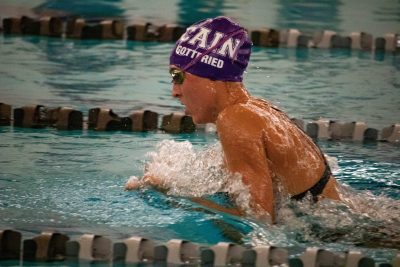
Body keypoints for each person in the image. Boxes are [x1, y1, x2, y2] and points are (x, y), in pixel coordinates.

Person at [125, 16, 341, 223]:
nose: (174, 91)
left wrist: (171, 196)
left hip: (337, 237)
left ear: (210, 74)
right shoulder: (257, 109)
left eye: (177, 76)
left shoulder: (235, 119)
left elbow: (258, 219)